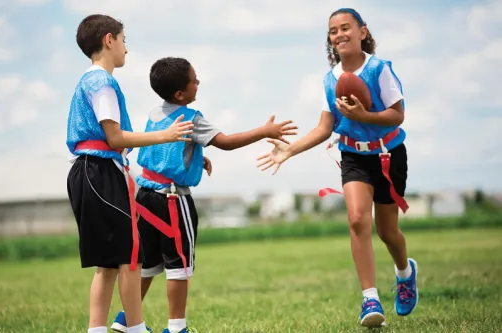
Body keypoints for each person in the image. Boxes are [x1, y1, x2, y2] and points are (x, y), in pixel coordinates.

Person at [256, 8, 418, 328]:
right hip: (353, 156)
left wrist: (364, 117)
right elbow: (325, 127)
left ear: (362, 32)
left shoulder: (379, 70)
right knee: (357, 218)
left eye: (346, 28)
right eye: (333, 31)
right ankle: (370, 297)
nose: (340, 34)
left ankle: (405, 273)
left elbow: (397, 115)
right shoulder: (330, 80)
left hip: (388, 155)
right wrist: (288, 150)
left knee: (387, 231)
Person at [110, 56, 298, 333]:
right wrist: (264, 131)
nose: (198, 83)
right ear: (180, 93)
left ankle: (127, 318)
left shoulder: (154, 113)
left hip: (146, 197)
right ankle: (177, 328)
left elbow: (163, 150)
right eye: (194, 80)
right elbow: (227, 143)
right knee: (179, 265)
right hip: (172, 199)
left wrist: (198, 159)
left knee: (148, 263)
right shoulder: (192, 118)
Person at [66, 15, 195, 333]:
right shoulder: (102, 82)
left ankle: (99, 330)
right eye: (124, 40)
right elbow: (116, 138)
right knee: (129, 256)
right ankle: (136, 329)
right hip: (100, 172)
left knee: (108, 262)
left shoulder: (91, 80)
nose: (126, 47)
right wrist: (166, 135)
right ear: (109, 40)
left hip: (92, 172)